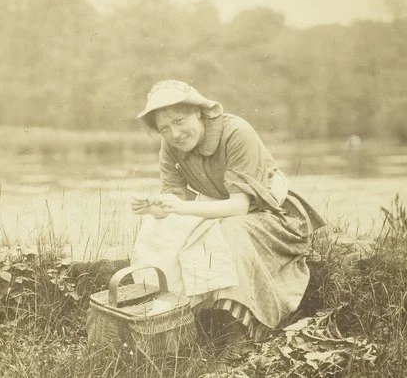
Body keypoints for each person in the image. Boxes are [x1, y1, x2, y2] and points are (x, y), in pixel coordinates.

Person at [129, 79, 326, 356]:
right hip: (224, 209)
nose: (174, 133)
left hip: (271, 215)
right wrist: (155, 208)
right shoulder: (171, 145)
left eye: (179, 120)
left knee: (226, 234)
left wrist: (179, 209)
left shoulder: (235, 131)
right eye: (164, 127)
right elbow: (176, 197)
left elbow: (239, 206)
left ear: (198, 111)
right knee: (156, 229)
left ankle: (239, 336)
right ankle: (170, 320)